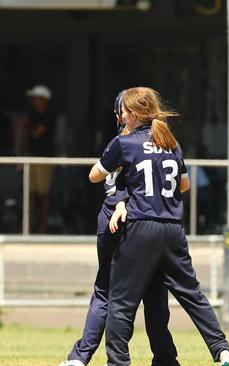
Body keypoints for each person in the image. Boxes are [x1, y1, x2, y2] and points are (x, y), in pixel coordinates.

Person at [88, 87, 229, 366]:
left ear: (131, 114)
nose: (121, 116)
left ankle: (117, 363)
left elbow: (95, 175)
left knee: (121, 302)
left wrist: (122, 175)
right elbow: (185, 184)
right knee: (192, 295)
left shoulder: (126, 142)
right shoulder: (171, 142)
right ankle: (222, 350)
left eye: (123, 112)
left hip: (140, 227)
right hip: (173, 229)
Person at [59, 91, 179, 366]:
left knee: (106, 291)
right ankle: (165, 358)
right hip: (142, 220)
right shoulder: (155, 142)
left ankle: (82, 356)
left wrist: (122, 201)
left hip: (122, 217)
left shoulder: (124, 142)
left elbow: (97, 176)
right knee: (153, 292)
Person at [25, 84, 56, 233]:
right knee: (30, 194)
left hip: (45, 158)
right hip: (31, 157)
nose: (34, 101)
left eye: (37, 98)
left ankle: (43, 228)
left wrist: (29, 126)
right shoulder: (32, 114)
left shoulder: (49, 114)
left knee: (44, 194)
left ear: (44, 99)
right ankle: (28, 227)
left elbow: (37, 133)